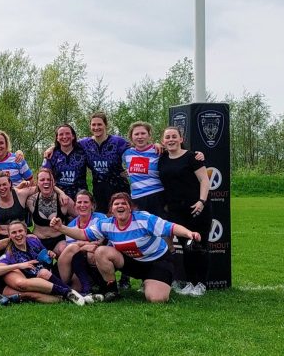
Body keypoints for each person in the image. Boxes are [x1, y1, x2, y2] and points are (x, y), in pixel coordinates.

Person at [50, 192, 202, 303]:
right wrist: (61, 228)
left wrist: (189, 233)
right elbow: (83, 234)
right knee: (102, 251)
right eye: (116, 204)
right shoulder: (107, 224)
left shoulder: (144, 219)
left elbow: (171, 227)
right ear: (112, 210)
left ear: (130, 208)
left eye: (124, 203)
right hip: (131, 263)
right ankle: (111, 291)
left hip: (157, 261)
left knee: (157, 299)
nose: (120, 206)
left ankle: (151, 282)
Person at [158, 126, 212, 296]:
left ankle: (201, 284)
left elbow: (204, 180)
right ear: (163, 141)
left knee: (198, 246)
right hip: (176, 210)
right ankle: (190, 282)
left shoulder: (192, 157)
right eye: (168, 137)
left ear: (181, 139)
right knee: (185, 247)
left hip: (196, 208)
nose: (171, 139)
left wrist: (201, 201)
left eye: (174, 136)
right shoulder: (162, 159)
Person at [0, 220, 89, 305]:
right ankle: (72, 293)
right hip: (40, 284)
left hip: (52, 275)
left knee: (73, 248)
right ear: (9, 236)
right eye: (14, 233)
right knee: (43, 273)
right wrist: (19, 265)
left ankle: (87, 290)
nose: (18, 235)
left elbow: (44, 255)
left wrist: (50, 254)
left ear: (25, 231)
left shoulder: (33, 240)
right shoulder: (9, 254)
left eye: (20, 231)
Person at [55, 190, 107, 295]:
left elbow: (99, 242)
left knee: (91, 253)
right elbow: (71, 249)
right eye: (79, 202)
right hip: (75, 262)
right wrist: (86, 245)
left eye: (86, 202)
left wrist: (81, 245)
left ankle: (101, 285)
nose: (82, 205)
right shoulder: (71, 225)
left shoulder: (100, 218)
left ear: (92, 205)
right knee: (76, 289)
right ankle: (82, 286)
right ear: (75, 206)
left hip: (98, 256)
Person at [25, 168, 75, 257]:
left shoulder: (64, 200)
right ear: (37, 182)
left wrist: (74, 232)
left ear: (54, 182)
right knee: (40, 263)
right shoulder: (30, 201)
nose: (46, 182)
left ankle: (59, 269)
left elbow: (80, 215)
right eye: (42, 180)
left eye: (49, 179)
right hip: (39, 239)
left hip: (59, 239)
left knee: (64, 251)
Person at [42, 124, 88, 200]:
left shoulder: (83, 152)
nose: (64, 137)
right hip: (58, 196)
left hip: (80, 198)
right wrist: (60, 193)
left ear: (73, 136)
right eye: (61, 134)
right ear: (57, 138)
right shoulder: (51, 155)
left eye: (67, 133)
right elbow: (44, 178)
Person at [0, 171, 37, 241]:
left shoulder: (21, 194)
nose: (2, 188)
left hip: (22, 237)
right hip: (3, 238)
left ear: (10, 183)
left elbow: (41, 188)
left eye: (4, 184)